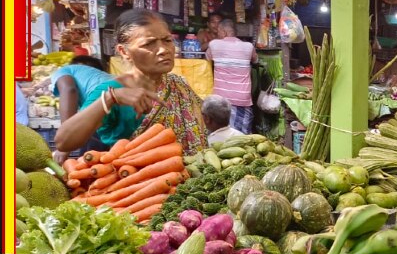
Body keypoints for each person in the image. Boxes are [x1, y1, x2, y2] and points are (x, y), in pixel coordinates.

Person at [54, 9, 208, 155]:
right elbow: (63, 142)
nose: (164, 50)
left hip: (189, 178)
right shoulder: (112, 90)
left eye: (167, 40)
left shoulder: (178, 85)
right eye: (149, 44)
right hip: (135, 179)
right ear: (124, 52)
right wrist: (110, 99)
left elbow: (203, 125)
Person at [51, 55, 116, 161]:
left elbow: (69, 89)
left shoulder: (63, 71)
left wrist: (67, 137)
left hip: (105, 99)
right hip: (123, 97)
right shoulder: (100, 76)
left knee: (90, 158)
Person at [206, 19, 258, 134]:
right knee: (241, 137)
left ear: (223, 32)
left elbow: (208, 59)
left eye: (218, 31)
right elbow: (255, 60)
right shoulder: (248, 46)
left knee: (218, 134)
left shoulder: (214, 44)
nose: (217, 34)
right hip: (242, 99)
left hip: (221, 99)